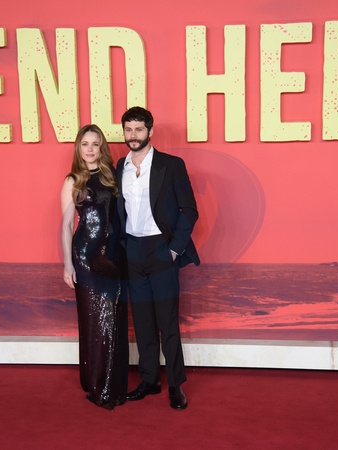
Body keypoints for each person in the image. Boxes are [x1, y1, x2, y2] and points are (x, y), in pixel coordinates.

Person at [116, 107, 200, 410]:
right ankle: (149, 380)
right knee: (142, 322)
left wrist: (174, 250)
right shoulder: (120, 166)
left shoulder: (171, 165)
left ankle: (176, 385)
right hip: (133, 250)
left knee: (168, 322)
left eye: (139, 129)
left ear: (150, 131)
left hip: (162, 249)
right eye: (128, 129)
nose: (133, 135)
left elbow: (189, 210)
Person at [61, 124, 128, 410]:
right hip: (86, 258)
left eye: (95, 144)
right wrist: (68, 264)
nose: (90, 149)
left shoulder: (113, 175)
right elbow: (67, 225)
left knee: (113, 319)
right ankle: (96, 382)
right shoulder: (73, 180)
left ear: (102, 147)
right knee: (93, 320)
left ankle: (113, 381)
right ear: (78, 148)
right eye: (85, 144)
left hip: (114, 257)